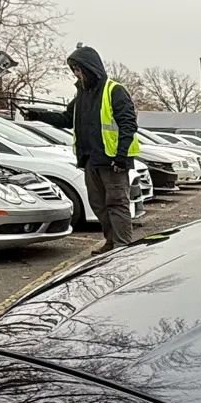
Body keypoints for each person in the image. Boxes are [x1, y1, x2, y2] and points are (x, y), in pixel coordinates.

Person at [65, 44, 141, 249]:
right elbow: (66, 118)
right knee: (98, 204)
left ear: (90, 68)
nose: (76, 74)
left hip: (112, 161)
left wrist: (121, 157)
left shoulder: (114, 90)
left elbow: (128, 125)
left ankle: (122, 247)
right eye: (74, 70)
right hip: (91, 160)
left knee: (117, 204)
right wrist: (38, 116)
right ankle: (111, 241)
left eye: (78, 69)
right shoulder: (81, 94)